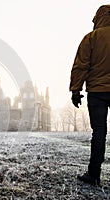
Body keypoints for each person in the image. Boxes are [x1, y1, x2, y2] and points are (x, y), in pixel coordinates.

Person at [70, 5, 110, 186]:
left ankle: (93, 174)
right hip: (98, 91)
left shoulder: (91, 38)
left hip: (97, 92)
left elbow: (81, 65)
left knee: (99, 132)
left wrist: (76, 90)